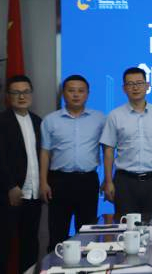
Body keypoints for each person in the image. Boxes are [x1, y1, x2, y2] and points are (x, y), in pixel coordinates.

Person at [39, 74, 106, 250]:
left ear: (87, 94)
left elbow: (107, 150)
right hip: (59, 181)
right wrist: (43, 182)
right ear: (64, 93)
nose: (76, 95)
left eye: (81, 91)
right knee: (57, 232)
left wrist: (108, 178)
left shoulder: (99, 119)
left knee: (87, 233)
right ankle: (55, 264)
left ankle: (86, 264)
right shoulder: (50, 120)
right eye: (71, 90)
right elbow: (45, 152)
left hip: (87, 180)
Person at [100, 67, 152, 215]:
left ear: (147, 86)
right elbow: (108, 150)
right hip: (125, 181)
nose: (135, 87)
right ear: (124, 88)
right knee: (125, 225)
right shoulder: (115, 115)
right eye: (130, 84)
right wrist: (109, 181)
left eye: (139, 83)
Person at [0, 75, 42, 273]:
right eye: (16, 92)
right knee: (2, 242)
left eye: (26, 92)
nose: (22, 96)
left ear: (31, 94)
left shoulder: (37, 121)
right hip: (9, 193)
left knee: (30, 241)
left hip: (33, 193)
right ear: (8, 96)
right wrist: (10, 186)